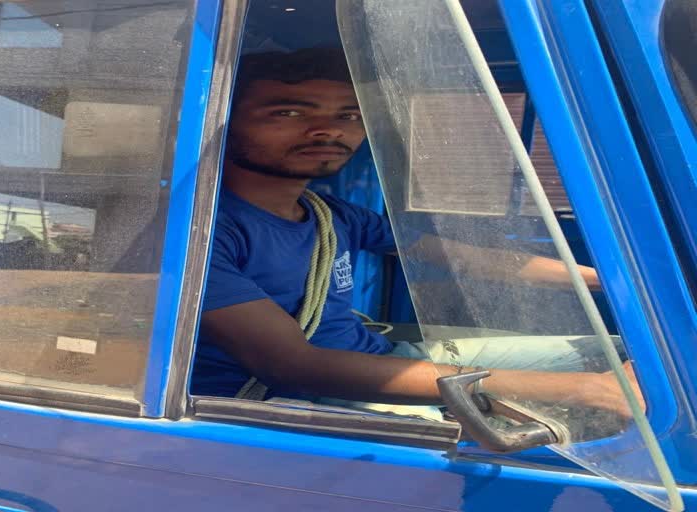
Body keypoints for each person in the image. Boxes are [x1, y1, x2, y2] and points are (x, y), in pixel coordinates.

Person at [190, 48, 640, 421]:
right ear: (223, 121)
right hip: (303, 398)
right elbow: (293, 367)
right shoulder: (204, 235)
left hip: (387, 356)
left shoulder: (330, 214)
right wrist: (586, 391)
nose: (328, 129)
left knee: (626, 356)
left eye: (348, 114)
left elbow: (466, 258)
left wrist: (612, 284)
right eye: (288, 112)